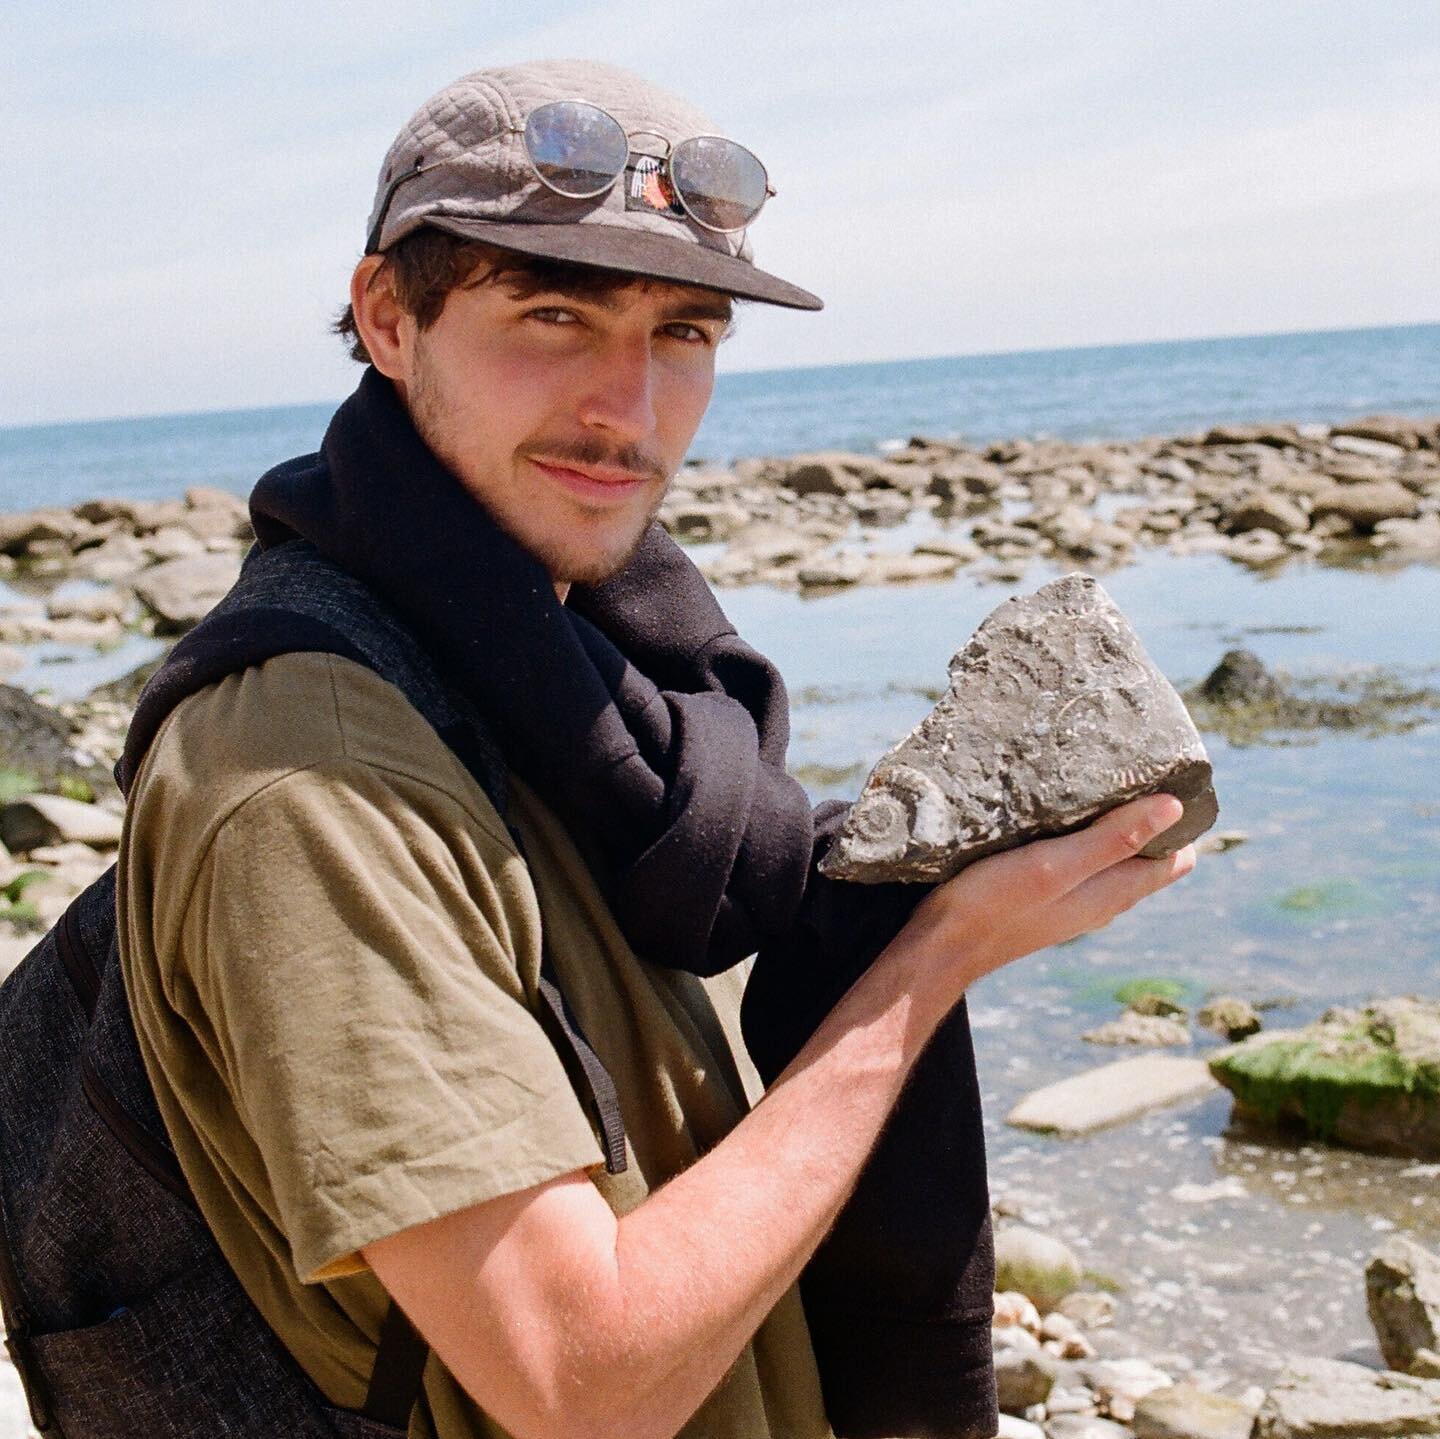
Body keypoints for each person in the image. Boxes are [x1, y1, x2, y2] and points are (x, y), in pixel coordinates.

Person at [116, 58, 1196, 1439]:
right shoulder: (306, 774)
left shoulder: (569, 674)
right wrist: (931, 964)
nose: (629, 410)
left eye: (684, 333)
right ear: (389, 317)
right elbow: (579, 1381)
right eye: (554, 313)